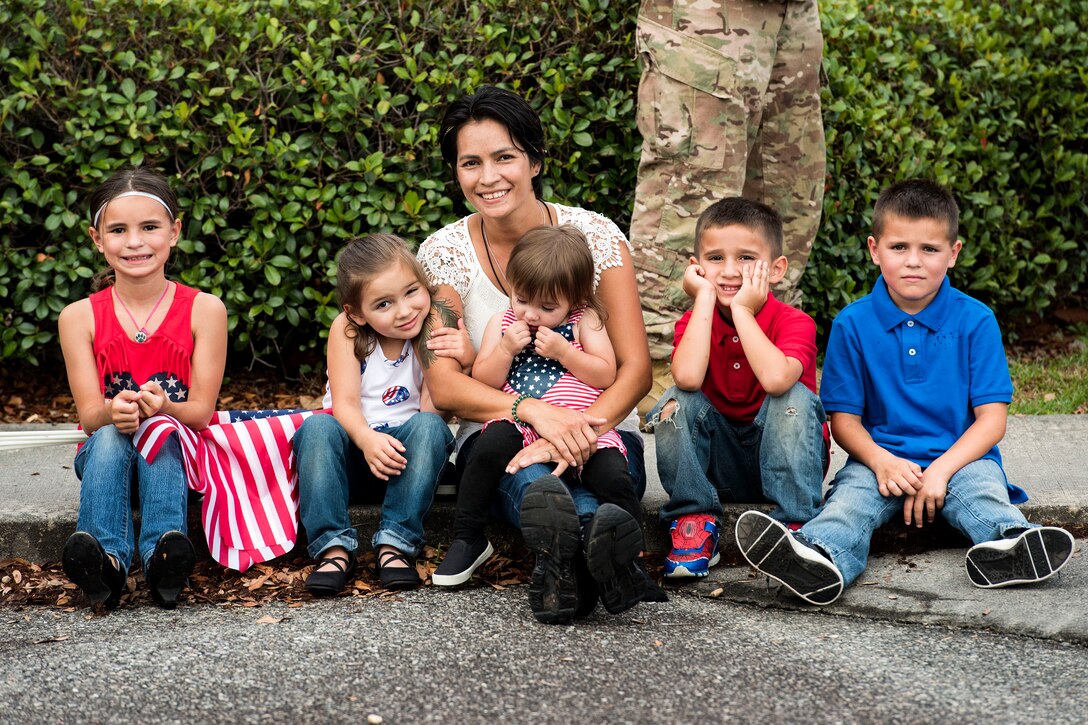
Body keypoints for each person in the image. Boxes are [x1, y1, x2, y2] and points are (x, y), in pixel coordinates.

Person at [734, 179, 1076, 605]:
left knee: (984, 494)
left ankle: (1014, 545)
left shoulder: (976, 320)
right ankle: (819, 558)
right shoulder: (852, 324)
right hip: (878, 462)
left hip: (960, 459)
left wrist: (940, 471)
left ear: (953, 254)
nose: (913, 262)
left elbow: (992, 421)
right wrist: (881, 461)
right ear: (875, 249)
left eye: (929, 250)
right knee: (847, 506)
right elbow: (844, 422)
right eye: (899, 248)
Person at [417, 85, 662, 624]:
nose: (489, 177)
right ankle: (599, 557)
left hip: (595, 420)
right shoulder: (443, 255)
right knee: (531, 477)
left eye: (504, 157)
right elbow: (447, 385)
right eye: (470, 163)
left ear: (534, 160)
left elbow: (636, 368)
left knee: (602, 464)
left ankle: (566, 565)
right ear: (456, 174)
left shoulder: (595, 238)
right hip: (504, 428)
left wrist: (583, 428)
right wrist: (534, 412)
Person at [432, 225, 648, 619]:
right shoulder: (505, 321)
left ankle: (629, 558)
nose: (531, 313)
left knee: (612, 475)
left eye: (547, 307)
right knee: (490, 449)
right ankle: (467, 537)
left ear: (575, 299)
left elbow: (605, 374)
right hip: (520, 417)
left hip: (581, 422)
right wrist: (503, 349)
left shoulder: (587, 320)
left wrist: (567, 353)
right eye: (523, 298)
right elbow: (483, 381)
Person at [58, 166, 228, 609]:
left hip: (176, 464)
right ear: (97, 239)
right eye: (118, 230)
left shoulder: (205, 309)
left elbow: (202, 414)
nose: (134, 242)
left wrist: (166, 407)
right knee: (114, 437)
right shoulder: (79, 317)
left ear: (174, 232)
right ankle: (106, 562)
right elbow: (92, 417)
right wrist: (116, 411)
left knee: (161, 435)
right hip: (105, 466)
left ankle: (162, 558)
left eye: (149, 227)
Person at [630, 0, 825, 356]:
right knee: (690, 188)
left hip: (793, 14)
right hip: (708, 14)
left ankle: (768, 355)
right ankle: (660, 363)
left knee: (789, 189)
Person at [646, 197, 826, 579]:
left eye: (746, 258)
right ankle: (692, 520)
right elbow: (689, 380)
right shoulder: (695, 320)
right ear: (696, 268)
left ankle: (796, 528)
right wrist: (705, 299)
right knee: (675, 401)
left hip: (785, 461)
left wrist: (743, 312)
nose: (729, 271)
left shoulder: (795, 323)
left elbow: (777, 380)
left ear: (776, 269)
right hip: (719, 468)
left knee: (792, 396)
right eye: (715, 258)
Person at [293, 234, 458, 594]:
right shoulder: (348, 330)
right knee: (318, 426)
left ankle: (396, 544)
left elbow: (436, 404)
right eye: (384, 304)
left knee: (430, 426)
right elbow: (346, 405)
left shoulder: (433, 326)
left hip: (407, 464)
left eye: (412, 291)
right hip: (352, 454)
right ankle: (332, 548)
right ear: (356, 312)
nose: (404, 310)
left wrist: (467, 356)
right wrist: (367, 439)